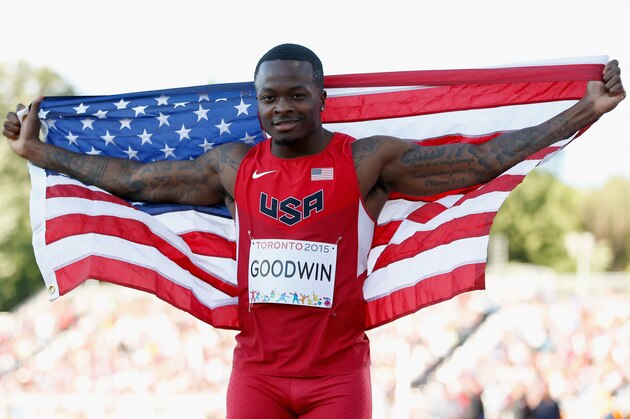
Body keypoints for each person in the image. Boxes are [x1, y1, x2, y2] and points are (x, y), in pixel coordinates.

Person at [2, 44, 625, 418]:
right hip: (258, 373)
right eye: (268, 99)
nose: (280, 110)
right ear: (256, 102)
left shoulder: (364, 161)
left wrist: (579, 112)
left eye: (295, 96)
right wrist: (43, 155)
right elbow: (138, 179)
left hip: (336, 376)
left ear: (322, 97)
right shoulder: (232, 165)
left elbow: (482, 159)